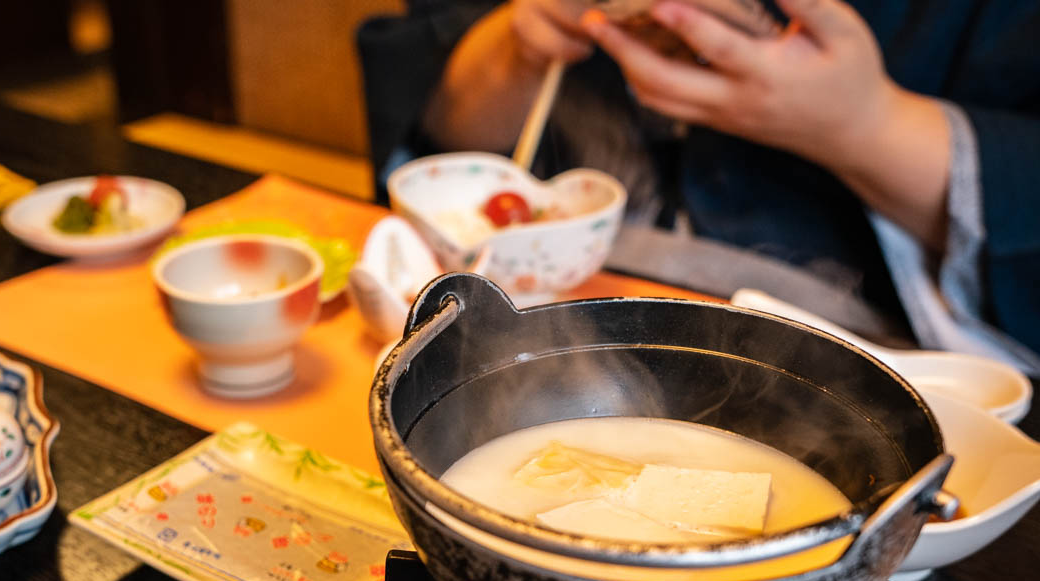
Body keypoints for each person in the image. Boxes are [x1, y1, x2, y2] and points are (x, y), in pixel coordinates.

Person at [356, 0, 1040, 369]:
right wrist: (521, 40)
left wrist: (865, 126)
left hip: (864, 349)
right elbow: (436, 115)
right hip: (535, 310)